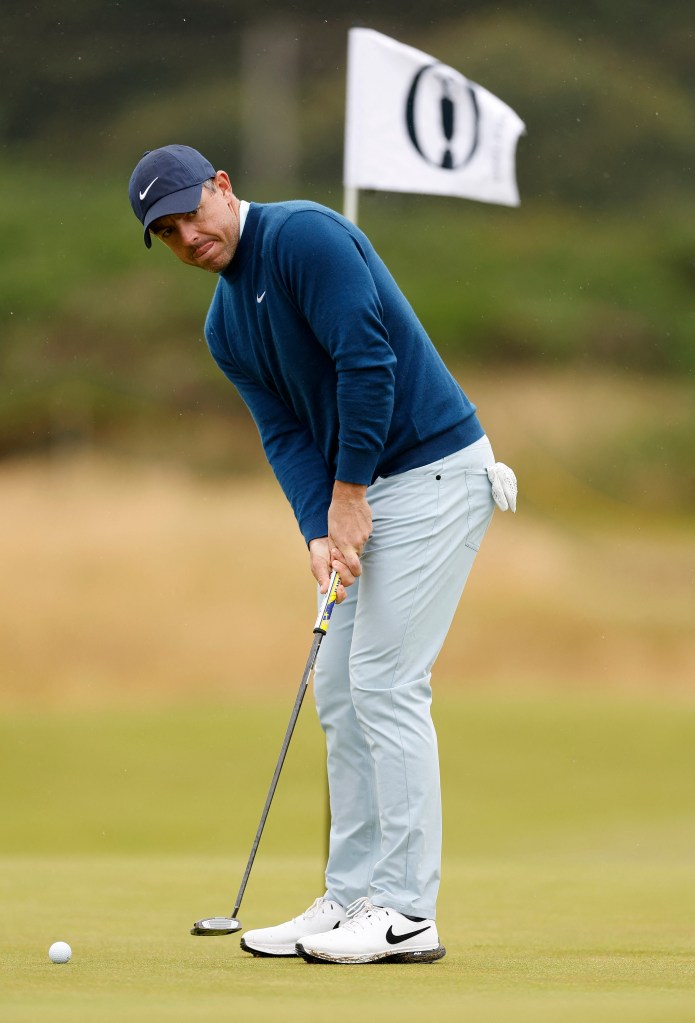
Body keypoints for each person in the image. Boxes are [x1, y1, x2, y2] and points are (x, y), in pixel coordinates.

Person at [128, 144, 517, 966]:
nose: (187, 237)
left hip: (435, 471)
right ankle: (351, 898)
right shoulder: (222, 324)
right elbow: (284, 432)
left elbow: (365, 363)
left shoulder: (304, 235)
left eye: (189, 213)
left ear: (223, 187)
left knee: (385, 682)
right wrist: (318, 526)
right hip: (364, 491)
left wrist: (347, 495)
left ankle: (408, 913)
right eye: (166, 233)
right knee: (337, 687)